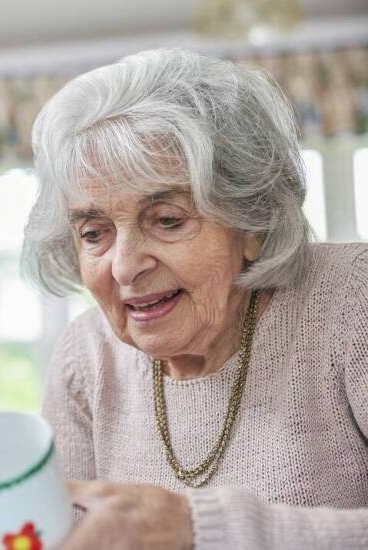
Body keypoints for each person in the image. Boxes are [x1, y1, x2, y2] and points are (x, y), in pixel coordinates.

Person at [22, 48, 367, 549]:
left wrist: (199, 527)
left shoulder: (352, 300)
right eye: (94, 232)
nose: (124, 266)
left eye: (167, 220)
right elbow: (57, 538)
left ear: (252, 222)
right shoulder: (87, 357)